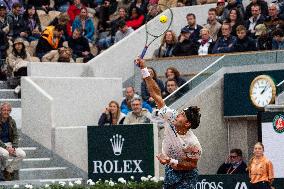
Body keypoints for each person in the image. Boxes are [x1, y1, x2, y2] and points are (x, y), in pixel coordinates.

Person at [135, 58, 202, 189]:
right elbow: (155, 93)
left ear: (187, 124)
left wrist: (170, 161)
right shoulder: (172, 117)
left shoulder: (193, 143)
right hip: (171, 171)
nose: (178, 114)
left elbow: (192, 164)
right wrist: (144, 70)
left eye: (182, 115)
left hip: (187, 176)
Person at [0, 102, 26, 181]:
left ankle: (8, 170)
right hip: (1, 144)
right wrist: (6, 147)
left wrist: (14, 147)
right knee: (5, 154)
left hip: (10, 144)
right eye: (4, 110)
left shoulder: (12, 121)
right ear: (1, 110)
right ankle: (2, 169)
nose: (6, 112)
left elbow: (15, 135)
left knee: (22, 154)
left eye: (8, 110)